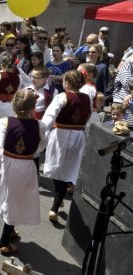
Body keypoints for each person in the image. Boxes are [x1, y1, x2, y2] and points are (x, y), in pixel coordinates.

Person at [0, 89, 46, 255]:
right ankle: (3, 240)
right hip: (26, 166)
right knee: (16, 200)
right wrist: (28, 153)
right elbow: (41, 145)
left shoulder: (4, 122)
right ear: (32, 107)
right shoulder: (39, 125)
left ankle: (10, 229)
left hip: (7, 163)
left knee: (11, 199)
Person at [42, 70, 93, 223]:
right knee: (66, 170)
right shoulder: (87, 98)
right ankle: (59, 198)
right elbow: (89, 115)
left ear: (67, 83)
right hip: (78, 137)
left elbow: (49, 117)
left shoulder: (61, 97)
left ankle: (55, 207)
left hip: (61, 136)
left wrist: (40, 133)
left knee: (58, 169)